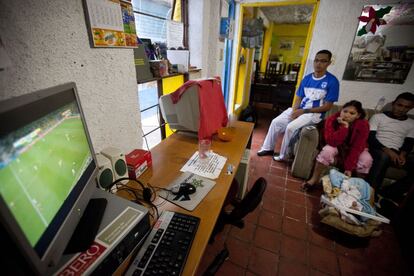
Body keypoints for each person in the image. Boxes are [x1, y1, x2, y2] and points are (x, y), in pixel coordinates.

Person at [257, 50, 340, 162]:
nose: (318, 64)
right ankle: (268, 148)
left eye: (323, 61)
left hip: (314, 114)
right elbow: (298, 98)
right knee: (276, 122)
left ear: (329, 63)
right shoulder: (307, 78)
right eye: (316, 60)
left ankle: (284, 156)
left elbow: (327, 107)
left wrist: (302, 112)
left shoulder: (332, 81)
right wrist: (294, 111)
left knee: (290, 128)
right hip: (300, 109)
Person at [302, 100, 373, 191]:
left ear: (358, 115)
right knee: (327, 151)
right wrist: (344, 127)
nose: (347, 115)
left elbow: (357, 147)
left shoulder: (363, 125)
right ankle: (313, 180)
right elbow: (331, 141)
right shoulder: (332, 120)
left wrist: (349, 167)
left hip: (354, 149)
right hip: (338, 145)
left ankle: (356, 188)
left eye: (352, 113)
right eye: (345, 111)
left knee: (367, 159)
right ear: (341, 110)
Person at [366, 92, 414, 202]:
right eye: (399, 105)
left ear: (411, 108)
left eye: (406, 107)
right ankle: (369, 195)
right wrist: (388, 151)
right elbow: (371, 138)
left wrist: (402, 155)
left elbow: (409, 142)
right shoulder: (378, 117)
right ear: (393, 104)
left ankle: (388, 192)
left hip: (397, 152)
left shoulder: (412, 123)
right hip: (378, 149)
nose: (401, 109)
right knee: (384, 157)